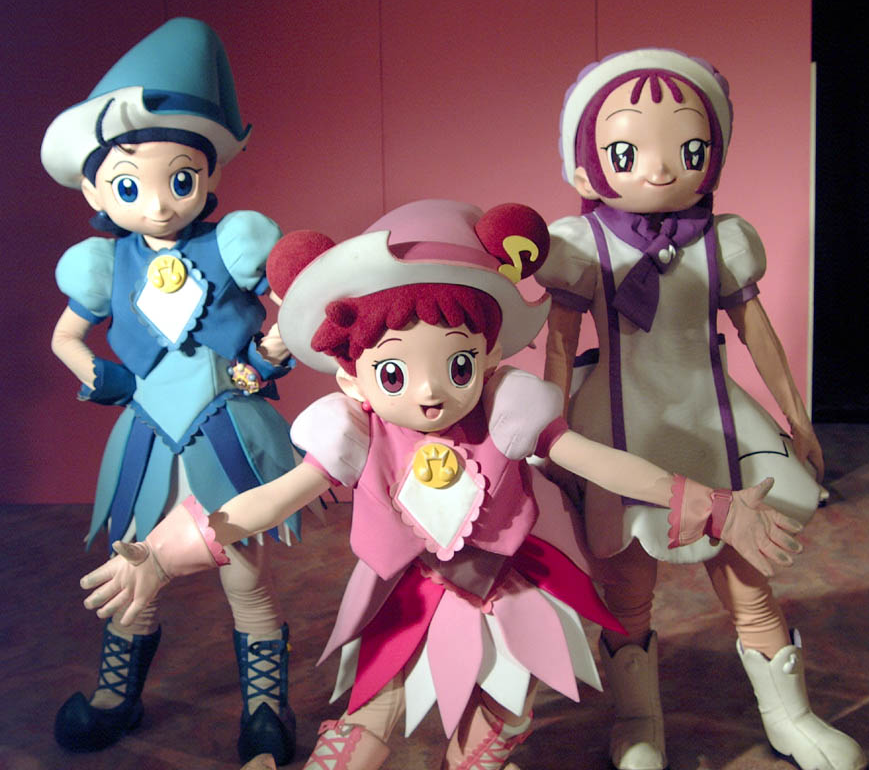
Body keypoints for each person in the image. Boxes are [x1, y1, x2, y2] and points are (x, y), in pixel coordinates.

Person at [79, 199, 802, 770]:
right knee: (367, 723)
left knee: (493, 731)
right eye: (394, 372)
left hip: (509, 591)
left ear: (486, 356)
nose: (429, 393)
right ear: (351, 375)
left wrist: (708, 503)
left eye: (456, 366)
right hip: (405, 590)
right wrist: (167, 554)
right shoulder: (354, 430)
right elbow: (274, 498)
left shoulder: (509, 411)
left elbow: (598, 460)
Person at [537, 48, 865, 770]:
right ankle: (638, 721)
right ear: (586, 168)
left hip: (716, 423)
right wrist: (550, 432)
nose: (660, 170)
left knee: (749, 574)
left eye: (688, 149)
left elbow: (758, 334)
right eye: (628, 151)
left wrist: (798, 420)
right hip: (621, 430)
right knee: (628, 586)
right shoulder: (579, 246)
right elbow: (559, 344)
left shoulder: (725, 240)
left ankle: (792, 717)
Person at [43, 17, 304, 764]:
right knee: (133, 569)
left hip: (225, 426)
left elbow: (294, 301)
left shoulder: (234, 243)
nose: (159, 205)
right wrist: (99, 374)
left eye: (180, 179)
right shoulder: (104, 263)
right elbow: (66, 336)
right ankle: (115, 696)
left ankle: (265, 709)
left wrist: (272, 350)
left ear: (210, 175)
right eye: (131, 185)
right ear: (94, 186)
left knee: (244, 573)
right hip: (147, 436)